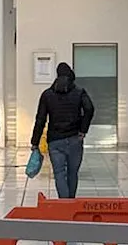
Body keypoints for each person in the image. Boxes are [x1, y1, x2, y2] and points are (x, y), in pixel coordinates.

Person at [31, 62, 94, 199]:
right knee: (73, 173)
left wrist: (35, 142)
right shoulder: (79, 92)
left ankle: (64, 204)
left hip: (55, 140)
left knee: (59, 173)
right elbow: (89, 109)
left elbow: (40, 120)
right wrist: (83, 130)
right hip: (74, 139)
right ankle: (70, 203)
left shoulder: (47, 95)